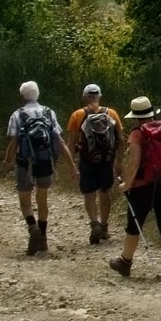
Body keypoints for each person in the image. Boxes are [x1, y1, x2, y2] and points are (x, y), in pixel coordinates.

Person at [113, 95, 161, 282]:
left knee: (135, 223)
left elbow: (134, 164)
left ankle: (125, 262)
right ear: (152, 113)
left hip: (142, 186)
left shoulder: (137, 134)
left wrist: (126, 185)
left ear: (136, 117)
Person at [7, 81, 64, 257]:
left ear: (22, 96)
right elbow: (58, 139)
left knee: (25, 199)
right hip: (45, 161)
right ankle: (43, 238)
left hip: (25, 162)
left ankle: (32, 227)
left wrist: (7, 160)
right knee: (42, 199)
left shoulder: (17, 114)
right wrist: (71, 165)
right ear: (38, 94)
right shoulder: (49, 112)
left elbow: (14, 141)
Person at [67, 82, 123, 245]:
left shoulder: (77, 115)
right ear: (100, 96)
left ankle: (94, 224)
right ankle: (104, 227)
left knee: (89, 195)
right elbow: (120, 139)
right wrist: (119, 162)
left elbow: (71, 143)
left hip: (87, 161)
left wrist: (72, 164)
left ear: (85, 97)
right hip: (106, 161)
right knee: (104, 193)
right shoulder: (111, 113)